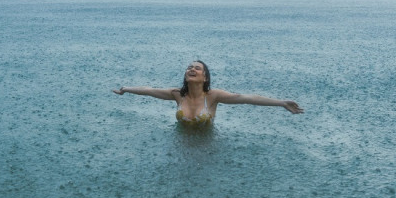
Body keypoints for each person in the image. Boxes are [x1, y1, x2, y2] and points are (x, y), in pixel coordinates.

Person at [112, 60, 303, 127]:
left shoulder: (213, 97)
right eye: (189, 67)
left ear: (205, 77)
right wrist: (125, 89)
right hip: (181, 147)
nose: (191, 69)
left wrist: (281, 103)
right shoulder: (177, 94)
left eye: (197, 68)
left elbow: (247, 98)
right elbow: (149, 90)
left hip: (206, 147)